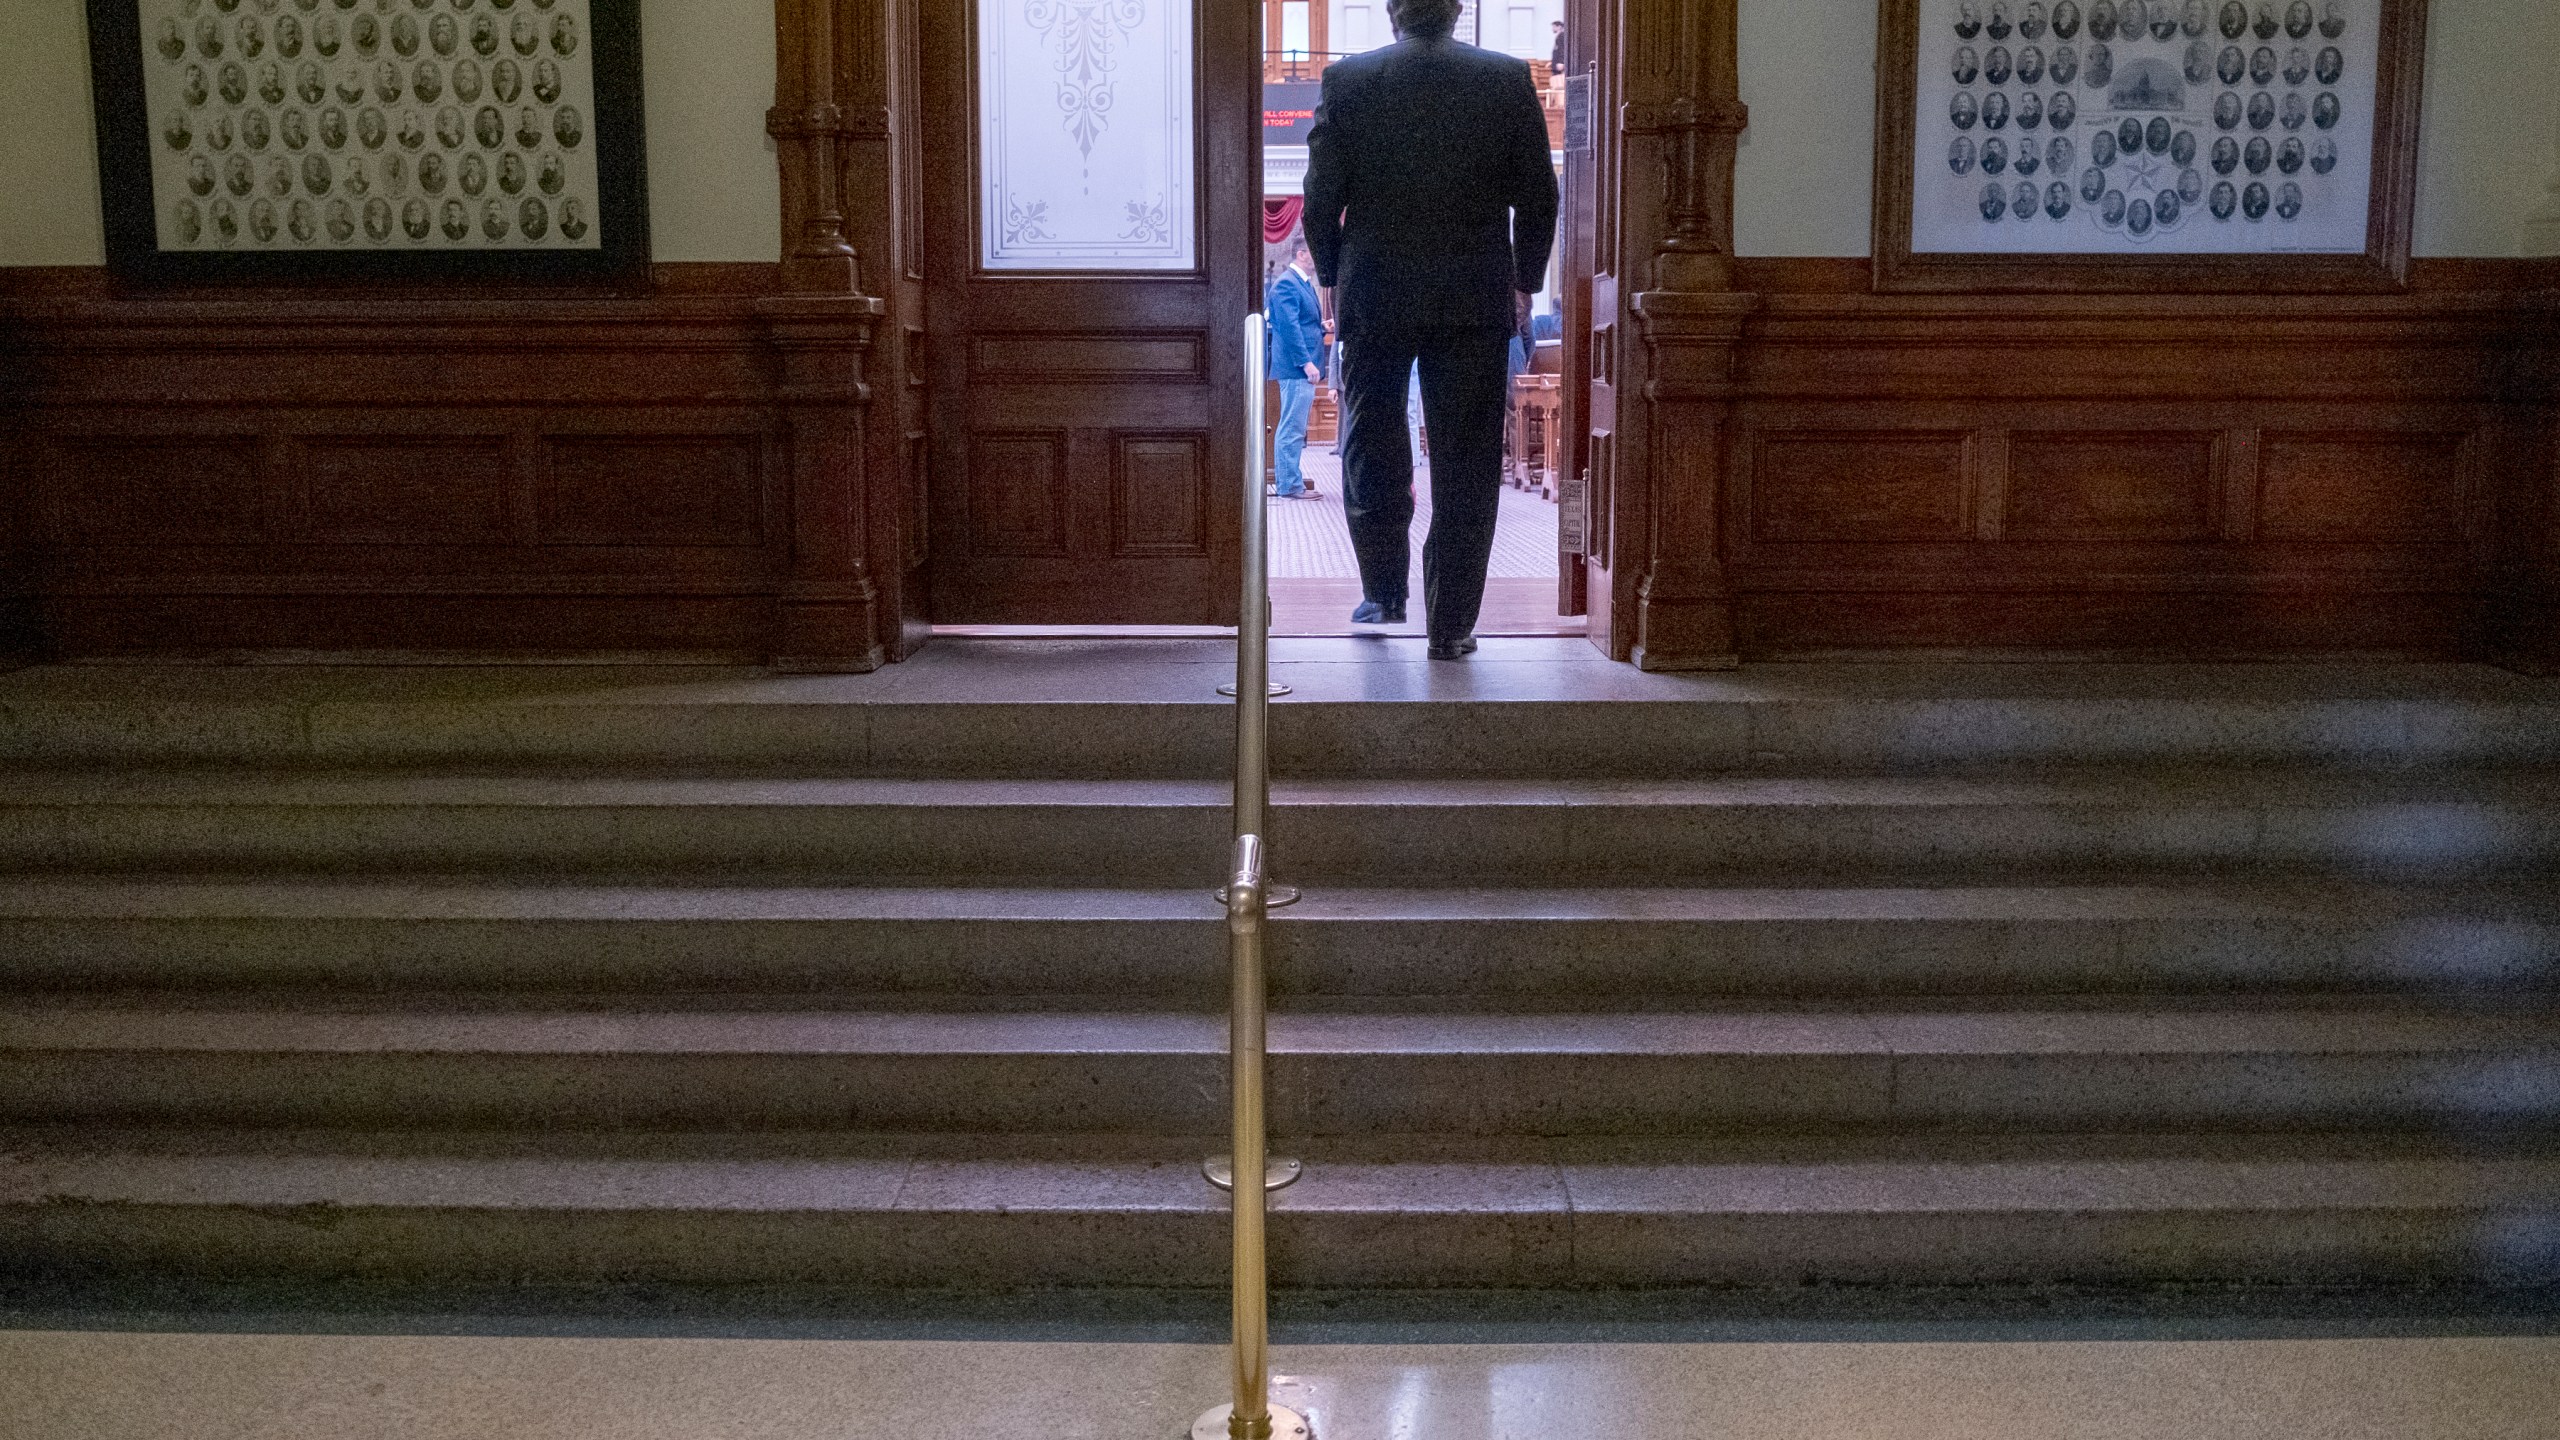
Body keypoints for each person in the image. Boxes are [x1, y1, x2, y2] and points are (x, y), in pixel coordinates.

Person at [1303, 0, 1557, 660]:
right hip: (1471, 294)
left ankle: (1383, 591)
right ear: (1457, 13)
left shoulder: (1350, 81)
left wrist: (1332, 275)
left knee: (1370, 435)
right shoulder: (1505, 79)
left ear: (1393, 13)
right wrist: (1524, 281)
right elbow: (1538, 194)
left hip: (1376, 290)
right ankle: (1452, 626)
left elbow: (1320, 197)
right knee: (1467, 462)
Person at [1265, 234, 1326, 499]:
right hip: (1296, 368)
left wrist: (1321, 327)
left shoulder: (1301, 283)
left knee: (1294, 428)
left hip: (1299, 367)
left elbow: (1300, 323)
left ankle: (1291, 481)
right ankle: (1290, 485)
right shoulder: (1287, 284)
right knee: (1292, 428)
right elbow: (1289, 329)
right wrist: (1307, 362)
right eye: (1314, 251)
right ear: (1301, 254)